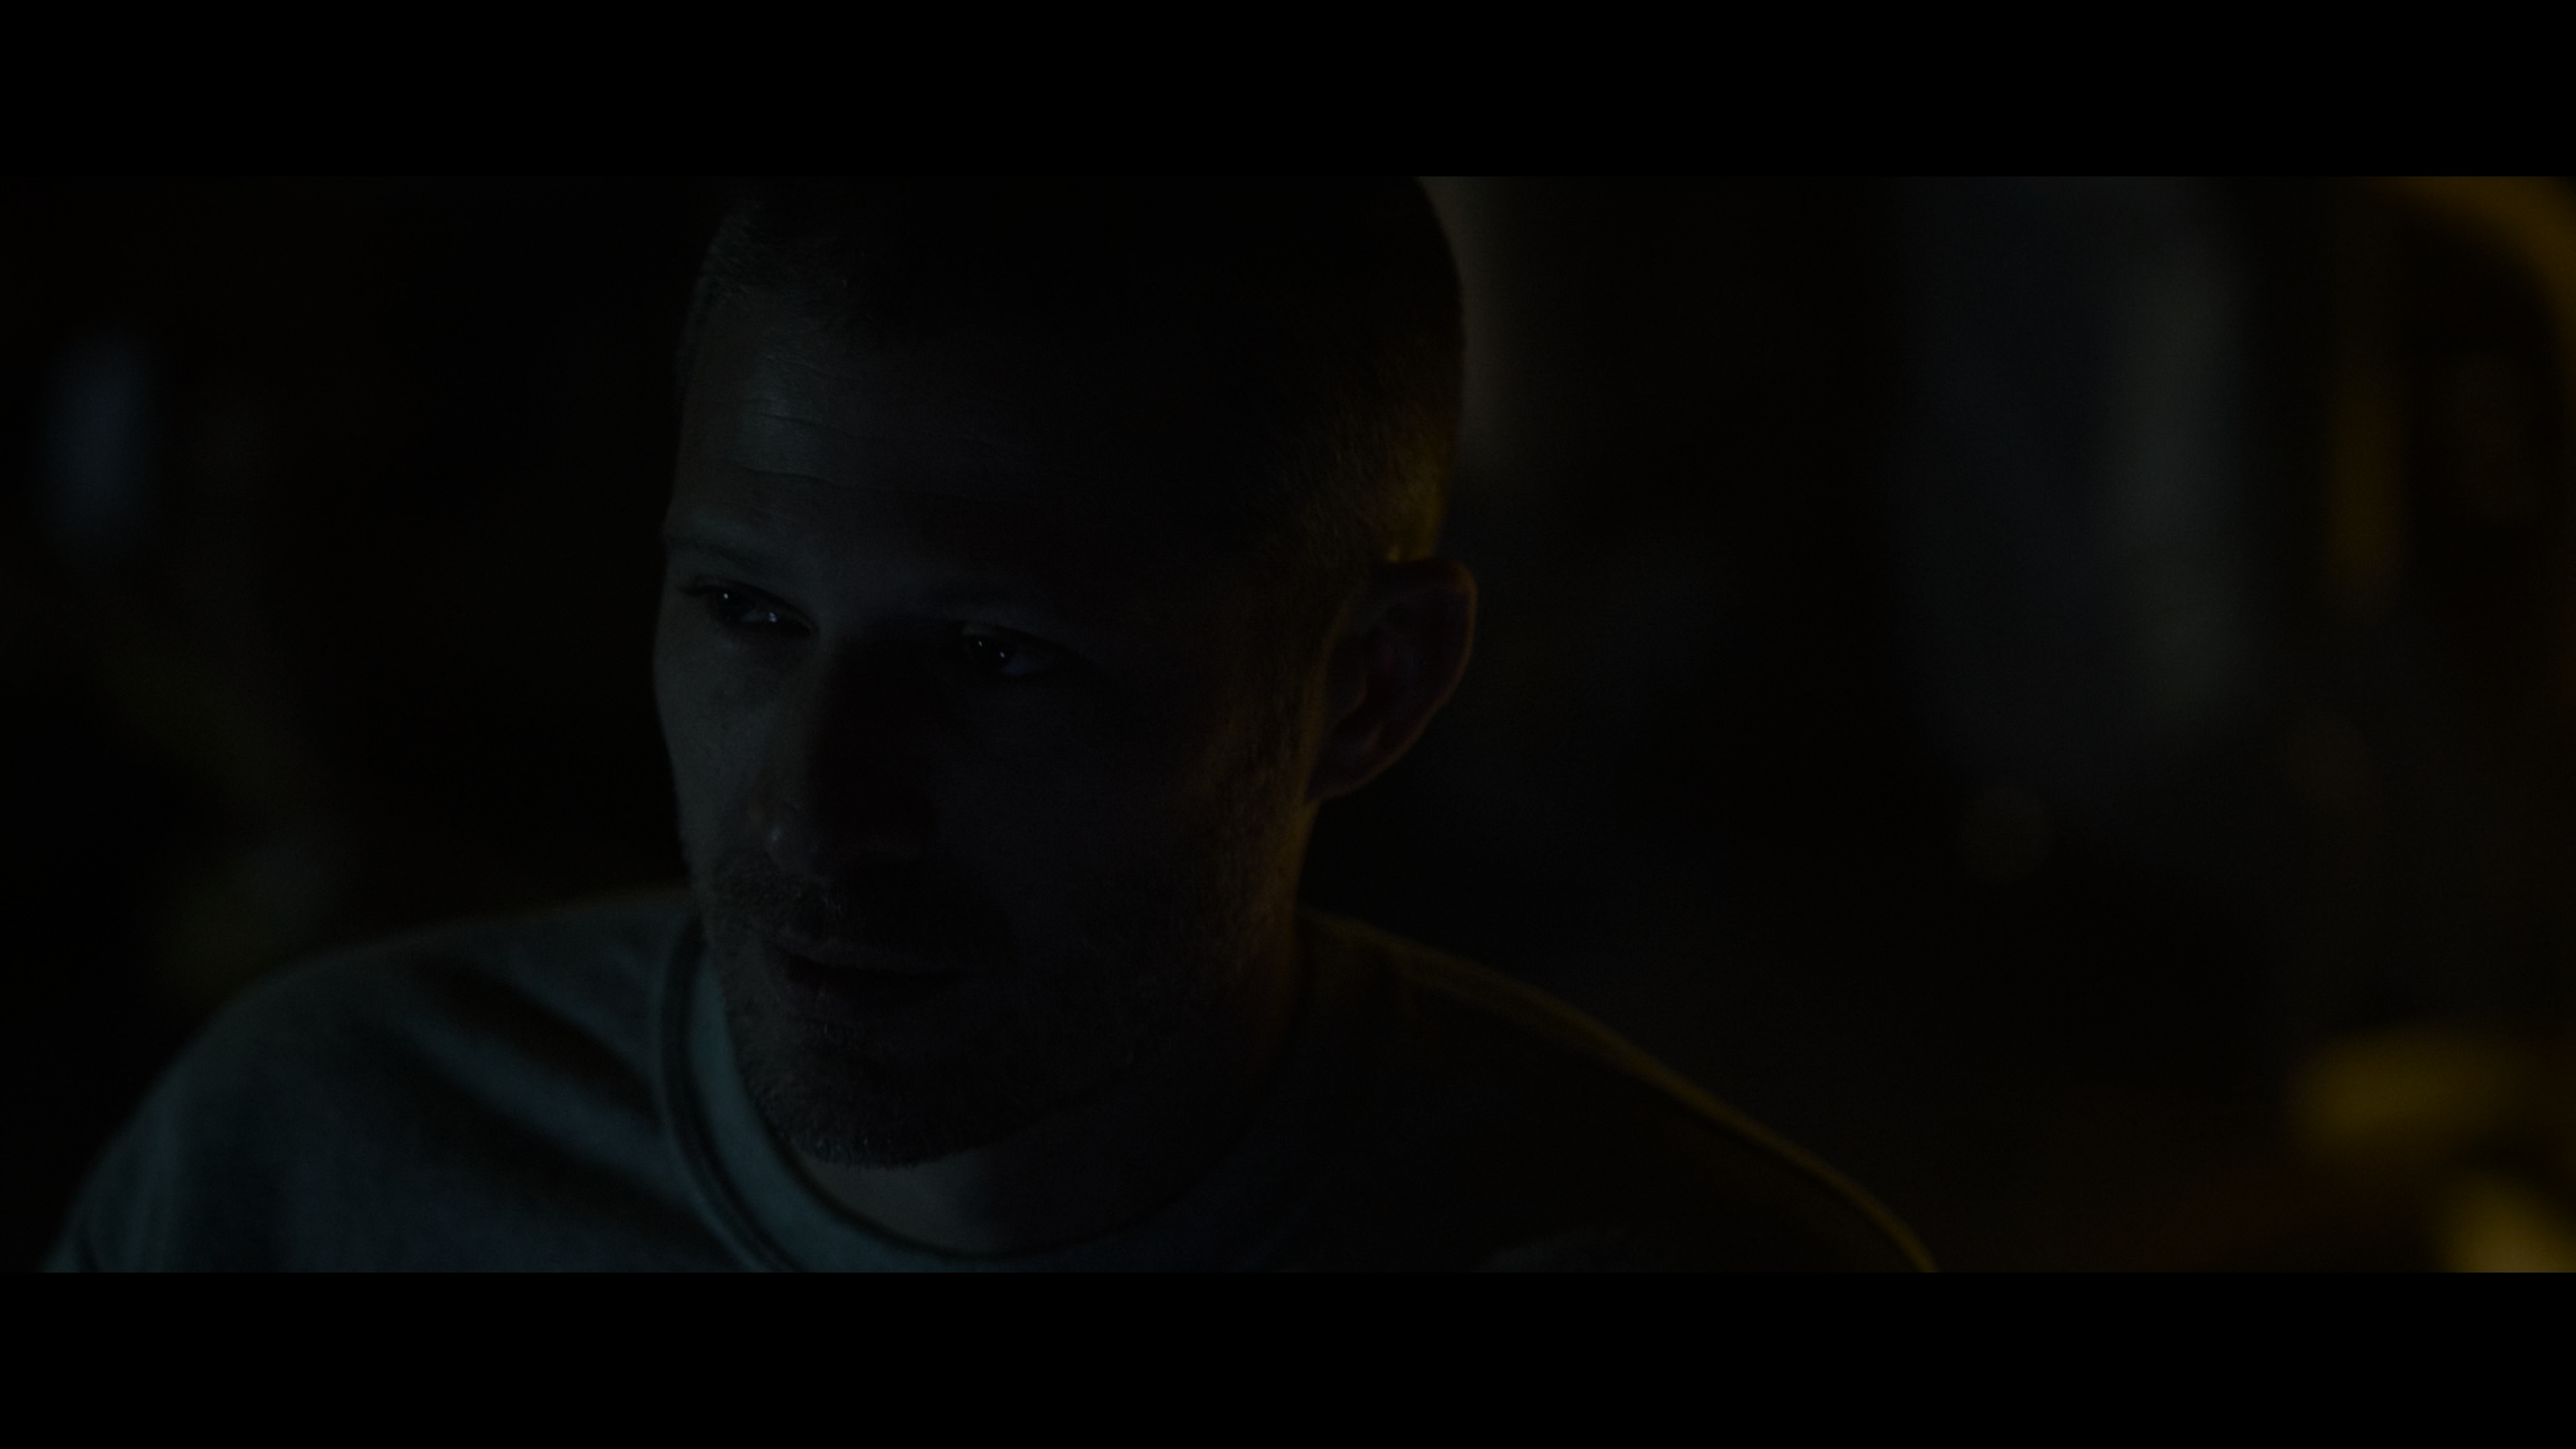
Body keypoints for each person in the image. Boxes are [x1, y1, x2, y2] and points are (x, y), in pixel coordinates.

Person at [48, 179, 1927, 1271]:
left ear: (1370, 685)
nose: (815, 803)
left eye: (994, 656)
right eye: (747, 611)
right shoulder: (305, 1162)